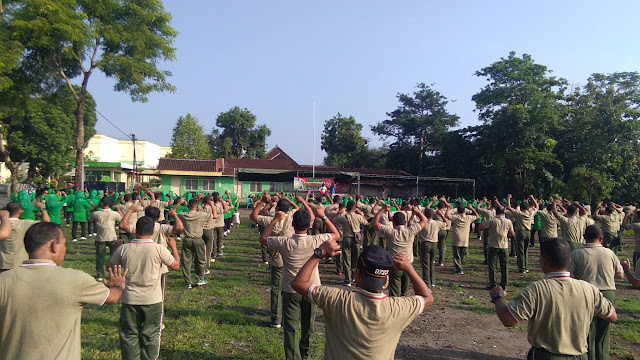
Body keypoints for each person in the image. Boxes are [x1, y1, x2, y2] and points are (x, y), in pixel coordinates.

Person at [0, 222, 126, 360]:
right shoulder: (76, 279)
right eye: (64, 244)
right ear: (54, 245)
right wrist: (118, 286)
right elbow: (112, 297)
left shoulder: (4, 280)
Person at [291, 242, 433, 360]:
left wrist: (318, 253)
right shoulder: (398, 307)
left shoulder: (336, 300)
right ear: (386, 279)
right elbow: (427, 298)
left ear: (357, 273)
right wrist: (408, 268)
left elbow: (298, 283)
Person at [490, 238, 617, 359]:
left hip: (546, 355)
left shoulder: (536, 290)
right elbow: (612, 316)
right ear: (569, 261)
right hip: (580, 355)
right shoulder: (589, 289)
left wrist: (497, 296)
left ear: (543, 261)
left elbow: (508, 319)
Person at [259, 204, 337, 360]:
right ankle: (305, 354)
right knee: (308, 326)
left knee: (290, 328)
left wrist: (274, 221)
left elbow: (262, 239)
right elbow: (336, 234)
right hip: (311, 288)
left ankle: (292, 357)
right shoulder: (317, 239)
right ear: (309, 225)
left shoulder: (284, 242)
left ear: (292, 225)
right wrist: (324, 216)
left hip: (290, 288)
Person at [108, 216, 180, 360]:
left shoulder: (124, 248)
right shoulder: (158, 249)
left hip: (129, 298)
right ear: (153, 230)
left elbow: (109, 266)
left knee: (129, 334)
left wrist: (114, 251)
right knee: (151, 333)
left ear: (136, 230)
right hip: (152, 299)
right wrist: (173, 247)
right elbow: (175, 265)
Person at [568, 226, 623, 360]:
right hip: (608, 292)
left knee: (587, 332)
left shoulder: (576, 253)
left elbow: (570, 276)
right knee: (603, 334)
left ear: (583, 236)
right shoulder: (609, 253)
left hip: (585, 293)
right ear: (601, 238)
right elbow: (620, 275)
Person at [250, 194, 301, 329]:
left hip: (277, 258)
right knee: (290, 289)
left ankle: (276, 319)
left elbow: (253, 216)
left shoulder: (272, 219)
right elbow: (298, 208)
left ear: (277, 208)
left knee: (276, 289)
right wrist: (291, 200)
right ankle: (288, 316)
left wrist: (262, 202)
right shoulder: (293, 217)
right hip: (291, 258)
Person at [372, 203, 426, 296]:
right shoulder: (410, 231)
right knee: (405, 290)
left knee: (394, 290)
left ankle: (395, 308)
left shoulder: (390, 232)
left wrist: (382, 210)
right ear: (405, 222)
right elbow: (424, 220)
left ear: (393, 222)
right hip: (408, 263)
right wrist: (414, 210)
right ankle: (404, 306)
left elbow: (374, 223)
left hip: (394, 264)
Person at [0, 202, 49, 272]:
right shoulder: (24, 224)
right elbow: (46, 223)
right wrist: (43, 209)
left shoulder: (2, 225)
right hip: (19, 262)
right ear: (21, 211)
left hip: (2, 263)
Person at [176, 198, 214, 288]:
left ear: (188, 206)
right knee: (201, 259)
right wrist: (209, 205)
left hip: (187, 239)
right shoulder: (202, 215)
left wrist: (178, 204)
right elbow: (214, 216)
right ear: (197, 206)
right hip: (198, 239)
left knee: (186, 261)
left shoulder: (183, 215)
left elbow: (173, 213)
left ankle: (187, 281)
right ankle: (200, 278)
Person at [332, 200, 368, 287]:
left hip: (346, 238)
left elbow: (333, 220)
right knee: (355, 260)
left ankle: (348, 279)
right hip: (357, 240)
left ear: (347, 208)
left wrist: (338, 213)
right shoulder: (358, 216)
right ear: (354, 208)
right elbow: (366, 223)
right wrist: (361, 214)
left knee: (346, 260)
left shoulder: (343, 217)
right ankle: (354, 277)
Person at [480, 203, 515, 291]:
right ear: (504, 212)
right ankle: (504, 284)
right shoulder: (508, 221)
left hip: (493, 245)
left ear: (496, 212)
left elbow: (480, 228)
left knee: (492, 265)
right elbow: (512, 234)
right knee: (504, 265)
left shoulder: (492, 220)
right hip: (504, 245)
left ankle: (493, 283)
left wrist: (483, 221)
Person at [88, 197, 123, 280]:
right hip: (112, 236)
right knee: (114, 257)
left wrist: (94, 209)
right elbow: (122, 219)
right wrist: (118, 210)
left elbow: (89, 219)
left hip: (100, 237)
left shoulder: (96, 213)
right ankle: (115, 273)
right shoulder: (113, 213)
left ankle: (100, 274)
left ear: (102, 203)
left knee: (100, 257)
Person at [505, 194, 538, 273]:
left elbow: (509, 207)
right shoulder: (530, 213)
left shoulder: (519, 213)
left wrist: (508, 198)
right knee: (525, 250)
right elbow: (536, 207)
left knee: (520, 250)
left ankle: (521, 268)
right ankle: (526, 267)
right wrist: (532, 198)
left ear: (521, 208)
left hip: (521, 232)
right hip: (528, 232)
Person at [417, 208, 447, 287]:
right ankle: (432, 280)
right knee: (431, 263)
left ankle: (426, 282)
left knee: (425, 264)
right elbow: (446, 223)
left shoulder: (423, 223)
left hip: (425, 243)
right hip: (434, 243)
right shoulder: (437, 223)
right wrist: (441, 215)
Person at [446, 202, 478, 275]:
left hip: (457, 238)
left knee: (456, 255)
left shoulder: (456, 217)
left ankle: (459, 269)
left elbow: (447, 216)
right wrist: (472, 208)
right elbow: (477, 216)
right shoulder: (468, 218)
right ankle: (459, 266)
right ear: (464, 211)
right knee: (461, 255)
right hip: (465, 239)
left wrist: (448, 208)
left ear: (457, 211)